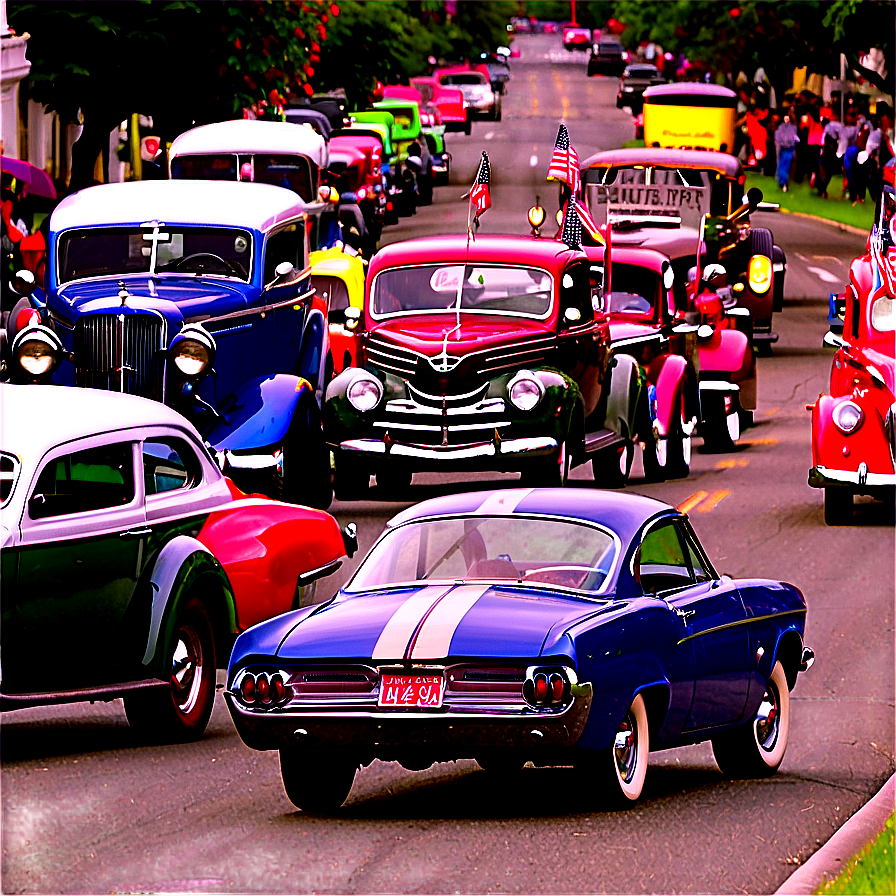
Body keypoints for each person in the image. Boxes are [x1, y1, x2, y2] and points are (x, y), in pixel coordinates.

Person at [774, 115, 800, 191]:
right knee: (782, 165)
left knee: (786, 165)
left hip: (789, 149)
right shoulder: (781, 127)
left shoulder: (793, 127)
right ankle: (782, 182)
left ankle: (784, 182)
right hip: (783, 149)